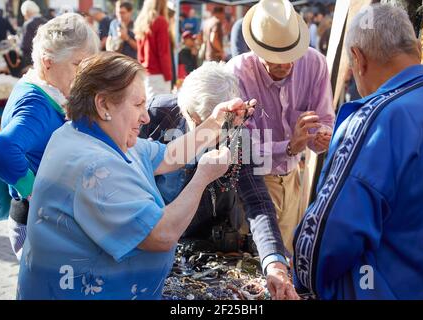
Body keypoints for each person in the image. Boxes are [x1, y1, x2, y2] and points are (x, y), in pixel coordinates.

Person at [16, 51, 253, 299]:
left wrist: (217, 121)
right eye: (138, 104)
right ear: (103, 104)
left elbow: (170, 155)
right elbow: (161, 235)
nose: (147, 116)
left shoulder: (91, 135)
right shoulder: (93, 165)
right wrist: (203, 176)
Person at [293, 4, 423, 300]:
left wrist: (302, 277)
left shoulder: (375, 120)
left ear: (358, 59)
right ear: (415, 47)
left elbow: (325, 238)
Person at [141, 62, 299, 300]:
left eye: (226, 125)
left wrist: (274, 262)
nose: (222, 133)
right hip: (152, 243)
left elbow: (257, 203)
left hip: (210, 244)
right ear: (193, 116)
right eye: (214, 126)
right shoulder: (155, 116)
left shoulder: (236, 133)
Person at [227, 0, 335, 255]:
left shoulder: (315, 64)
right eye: (275, 59)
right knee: (255, 267)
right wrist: (289, 147)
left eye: (290, 57)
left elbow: (325, 120)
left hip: (292, 181)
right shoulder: (238, 72)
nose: (285, 65)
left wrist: (320, 138)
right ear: (256, 50)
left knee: (285, 259)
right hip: (252, 182)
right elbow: (239, 145)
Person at [0, 13, 100, 260]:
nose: (83, 74)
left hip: (40, 220)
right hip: (36, 223)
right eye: (77, 64)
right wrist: (36, 193)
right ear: (48, 60)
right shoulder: (35, 105)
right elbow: (2, 150)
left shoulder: (40, 88)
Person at [135, 0, 172, 100]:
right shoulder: (160, 21)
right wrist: (168, 76)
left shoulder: (141, 21)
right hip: (159, 73)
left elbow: (140, 52)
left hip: (146, 72)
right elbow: (163, 52)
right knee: (161, 109)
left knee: (149, 107)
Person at [20, 1, 47, 69]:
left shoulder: (28, 24)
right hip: (46, 59)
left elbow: (25, 46)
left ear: (27, 12)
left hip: (32, 61)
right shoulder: (46, 22)